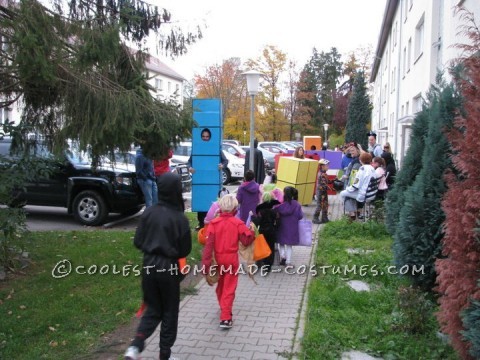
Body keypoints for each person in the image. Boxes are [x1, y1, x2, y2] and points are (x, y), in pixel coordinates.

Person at [124, 172, 192, 360]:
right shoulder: (180, 219)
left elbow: (138, 241)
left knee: (153, 307)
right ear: (177, 191)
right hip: (169, 267)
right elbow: (184, 249)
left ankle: (135, 346)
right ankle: (165, 355)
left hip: (148, 264)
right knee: (169, 311)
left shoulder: (149, 213)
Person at [201, 194, 256, 329]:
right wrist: (252, 232)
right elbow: (246, 240)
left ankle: (223, 307)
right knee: (229, 287)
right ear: (235, 209)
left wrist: (206, 265)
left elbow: (209, 246)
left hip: (218, 259)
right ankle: (226, 317)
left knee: (221, 286)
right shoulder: (238, 223)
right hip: (231, 260)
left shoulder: (214, 223)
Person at [188, 130, 228, 230]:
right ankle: (201, 223)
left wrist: (222, 165)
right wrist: (190, 168)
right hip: (200, 179)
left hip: (212, 179)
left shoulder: (216, 149)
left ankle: (212, 222)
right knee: (201, 200)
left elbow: (225, 160)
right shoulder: (196, 149)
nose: (205, 138)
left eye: (207, 136)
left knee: (211, 200)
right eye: (203, 136)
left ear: (210, 137)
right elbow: (189, 162)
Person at [251, 189, 281, 272]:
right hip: (271, 231)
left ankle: (262, 262)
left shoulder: (260, 211)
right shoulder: (274, 211)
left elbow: (257, 221)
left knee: (262, 247)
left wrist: (252, 218)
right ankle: (268, 265)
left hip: (263, 231)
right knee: (271, 247)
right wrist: (275, 227)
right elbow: (278, 222)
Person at [340, 152, 376, 221]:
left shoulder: (362, 169)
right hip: (371, 193)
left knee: (343, 194)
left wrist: (348, 189)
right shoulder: (372, 168)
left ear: (360, 160)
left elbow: (356, 185)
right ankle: (357, 212)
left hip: (364, 195)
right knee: (349, 194)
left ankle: (352, 213)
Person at [275, 186, 303, 267]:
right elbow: (300, 216)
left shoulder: (280, 206)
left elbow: (275, 212)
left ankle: (282, 256)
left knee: (281, 242)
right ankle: (288, 262)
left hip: (282, 227)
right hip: (292, 227)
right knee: (289, 245)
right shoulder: (297, 205)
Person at [313, 159, 330, 224]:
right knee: (319, 205)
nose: (328, 166)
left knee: (325, 205)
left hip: (323, 192)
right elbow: (324, 184)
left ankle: (324, 218)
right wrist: (329, 188)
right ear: (322, 166)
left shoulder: (324, 173)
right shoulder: (321, 174)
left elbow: (326, 182)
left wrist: (333, 181)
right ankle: (315, 218)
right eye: (327, 165)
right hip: (320, 192)